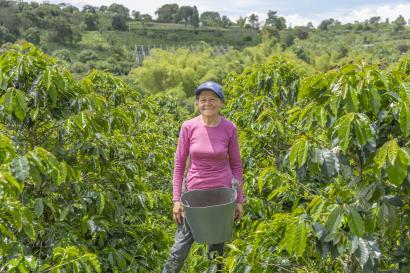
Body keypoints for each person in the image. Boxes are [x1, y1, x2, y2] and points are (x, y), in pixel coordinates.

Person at [162, 81, 245, 273]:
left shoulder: (229, 128)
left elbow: (236, 165)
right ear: (198, 103)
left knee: (216, 249)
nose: (207, 103)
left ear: (221, 103)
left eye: (212, 99)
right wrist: (176, 199)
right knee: (180, 246)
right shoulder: (189, 127)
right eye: (203, 100)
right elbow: (179, 165)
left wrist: (239, 199)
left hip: (221, 196)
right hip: (194, 194)